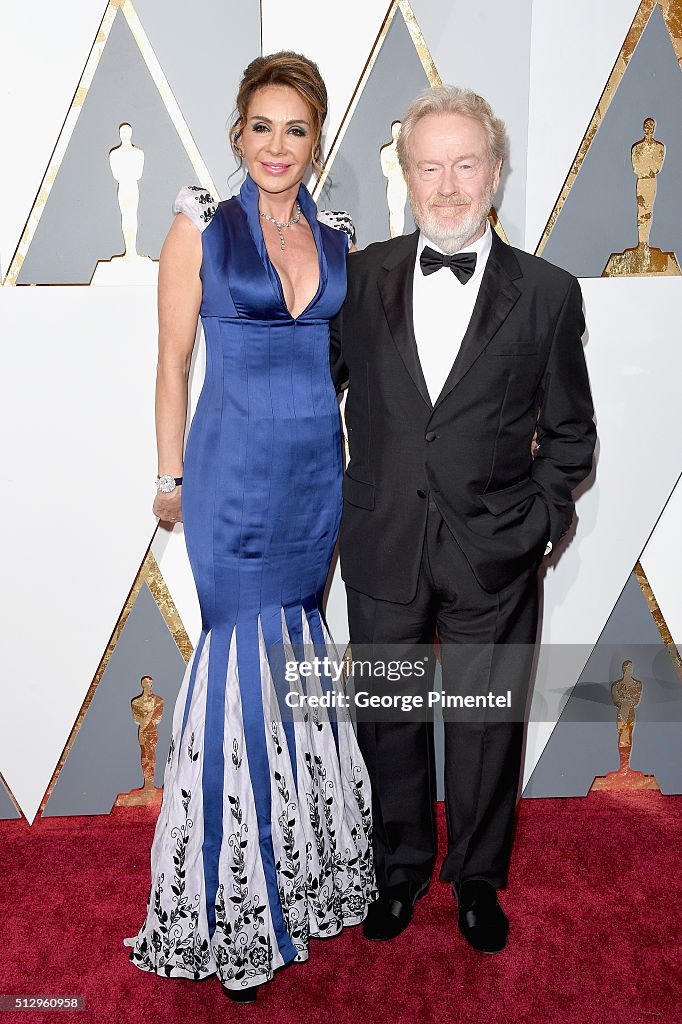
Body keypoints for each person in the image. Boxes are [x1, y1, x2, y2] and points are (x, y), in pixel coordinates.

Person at [125, 52, 375, 1003]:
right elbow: (171, 362)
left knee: (297, 655)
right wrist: (168, 474)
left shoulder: (339, 236)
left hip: (318, 480)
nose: (277, 147)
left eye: (296, 129)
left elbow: (353, 367)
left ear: (316, 142)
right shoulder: (201, 225)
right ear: (239, 135)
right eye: (261, 128)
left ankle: (305, 871)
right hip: (229, 480)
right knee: (236, 671)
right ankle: (235, 908)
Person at [330, 86, 596, 954]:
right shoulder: (359, 277)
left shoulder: (548, 294)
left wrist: (539, 528)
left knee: (488, 720)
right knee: (390, 717)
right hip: (382, 543)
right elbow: (310, 402)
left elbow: (571, 435)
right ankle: (399, 872)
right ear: (405, 175)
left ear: (496, 173)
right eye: (428, 166)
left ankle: (478, 879)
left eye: (465, 164)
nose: (446, 185)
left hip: (495, 550)